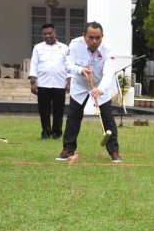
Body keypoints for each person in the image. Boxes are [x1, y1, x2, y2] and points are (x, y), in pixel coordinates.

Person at [56, 21, 122, 163]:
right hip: (79, 84)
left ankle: (114, 152)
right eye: (90, 37)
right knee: (73, 116)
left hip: (100, 85)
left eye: (98, 38)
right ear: (83, 36)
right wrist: (80, 70)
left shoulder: (107, 50)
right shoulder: (74, 45)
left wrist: (101, 89)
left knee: (108, 118)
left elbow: (108, 72)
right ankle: (68, 149)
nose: (94, 41)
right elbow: (67, 64)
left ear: (102, 37)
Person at [29, 23, 70, 139]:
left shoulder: (64, 47)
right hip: (43, 84)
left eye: (49, 33)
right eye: (44, 34)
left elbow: (69, 67)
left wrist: (68, 82)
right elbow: (34, 65)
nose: (47, 35)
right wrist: (33, 83)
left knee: (59, 110)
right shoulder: (38, 47)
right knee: (44, 110)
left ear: (55, 32)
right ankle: (46, 132)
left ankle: (57, 133)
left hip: (59, 84)